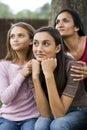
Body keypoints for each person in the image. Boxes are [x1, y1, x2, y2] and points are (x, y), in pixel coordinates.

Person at [32, 26, 87, 130]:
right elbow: (45, 113)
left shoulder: (72, 66)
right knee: (41, 124)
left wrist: (48, 74)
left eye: (46, 43)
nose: (39, 49)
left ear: (57, 48)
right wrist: (35, 77)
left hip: (79, 110)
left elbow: (59, 114)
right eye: (35, 43)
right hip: (54, 108)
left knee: (58, 124)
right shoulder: (34, 67)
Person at [0, 22, 40, 130]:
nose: (15, 39)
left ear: (31, 40)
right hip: (8, 118)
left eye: (20, 36)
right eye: (12, 36)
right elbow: (5, 99)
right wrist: (22, 74)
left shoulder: (37, 63)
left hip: (32, 117)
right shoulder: (4, 66)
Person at [54, 8, 87, 88]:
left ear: (76, 27)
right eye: (57, 22)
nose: (60, 25)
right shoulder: (58, 50)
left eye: (65, 21)